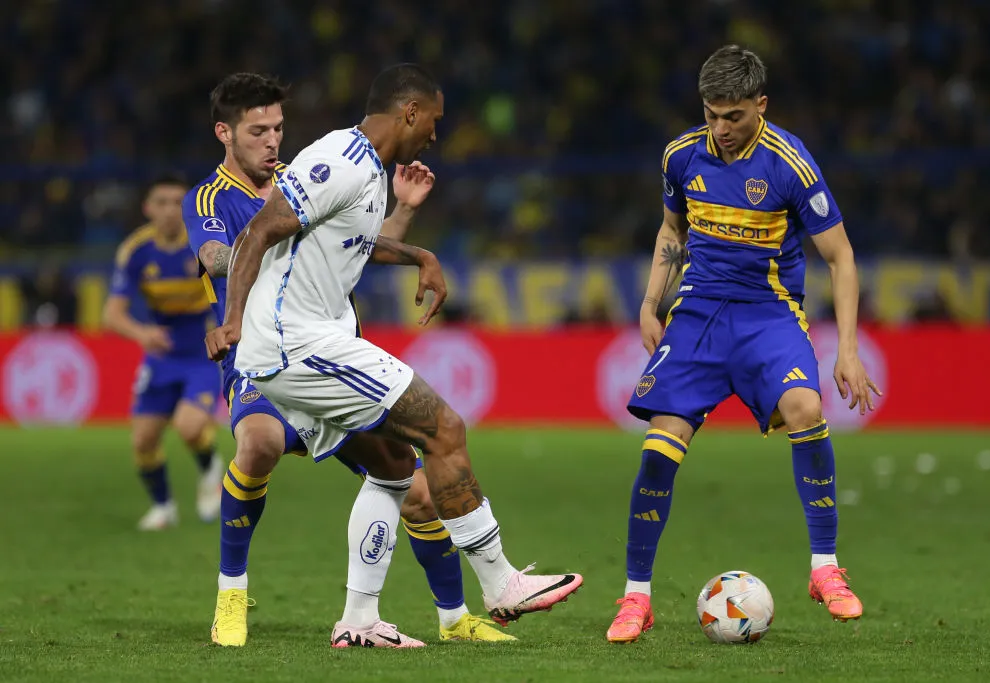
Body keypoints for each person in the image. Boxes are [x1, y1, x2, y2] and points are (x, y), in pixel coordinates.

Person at [204, 63, 583, 648]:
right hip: (296, 343)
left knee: (394, 467)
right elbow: (258, 232)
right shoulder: (340, 158)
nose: (434, 134)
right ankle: (501, 582)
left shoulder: (369, 172)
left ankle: (359, 622)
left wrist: (418, 253)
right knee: (444, 428)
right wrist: (232, 319)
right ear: (409, 111)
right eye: (433, 120)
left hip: (299, 346)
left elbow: (353, 240)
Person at [605, 45, 882, 644]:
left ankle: (826, 570)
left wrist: (848, 349)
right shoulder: (681, 157)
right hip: (698, 315)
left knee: (806, 408)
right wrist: (651, 303)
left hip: (767, 316)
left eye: (733, 116)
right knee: (658, 449)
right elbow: (672, 229)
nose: (721, 128)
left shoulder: (790, 164)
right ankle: (636, 597)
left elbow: (841, 256)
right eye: (711, 115)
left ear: (761, 105)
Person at [103, 175, 223, 530]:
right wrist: (142, 334)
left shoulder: (203, 244)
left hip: (202, 352)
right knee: (143, 440)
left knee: (189, 426)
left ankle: (210, 468)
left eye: (177, 203)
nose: (170, 210)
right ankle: (163, 507)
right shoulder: (135, 250)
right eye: (162, 202)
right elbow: (111, 314)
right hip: (161, 355)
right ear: (148, 208)